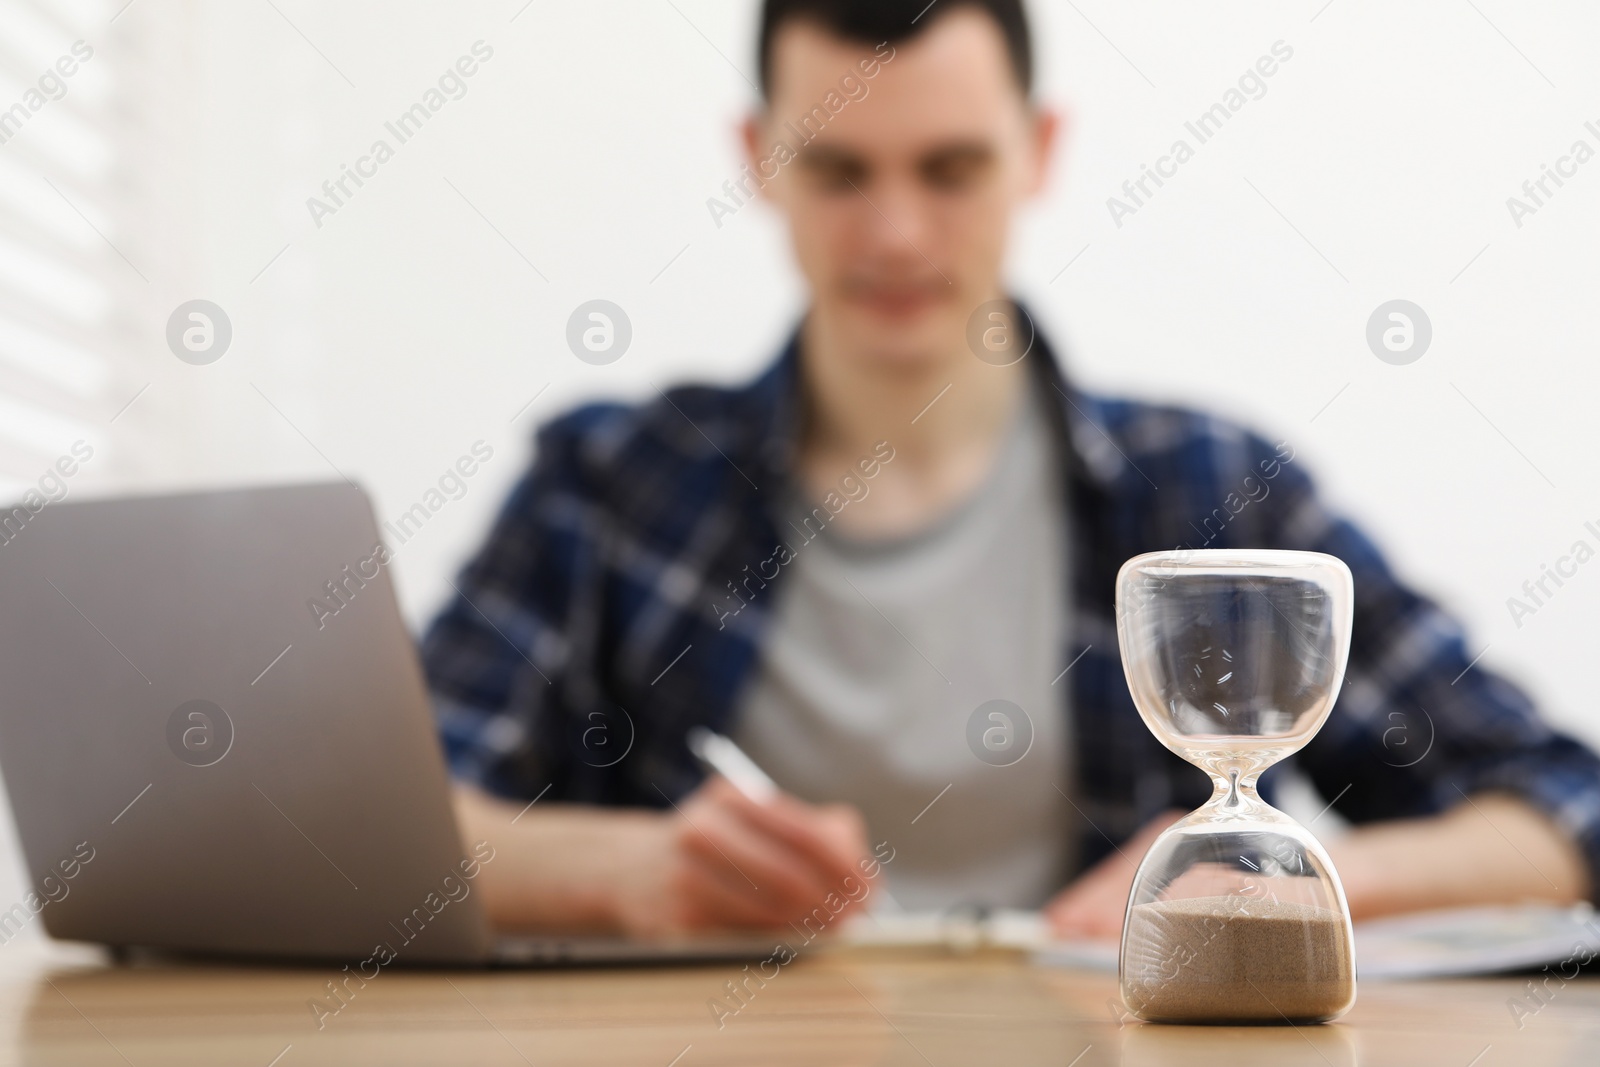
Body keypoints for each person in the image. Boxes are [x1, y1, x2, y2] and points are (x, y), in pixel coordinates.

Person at [422, 0, 1600, 939]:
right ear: (758, 158)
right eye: (837, 170)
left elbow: (1565, 809)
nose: (894, 233)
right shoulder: (607, 483)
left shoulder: (1212, 489)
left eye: (948, 169)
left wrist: (1285, 874)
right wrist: (631, 872)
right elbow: (382, 827)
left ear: (1035, 154)